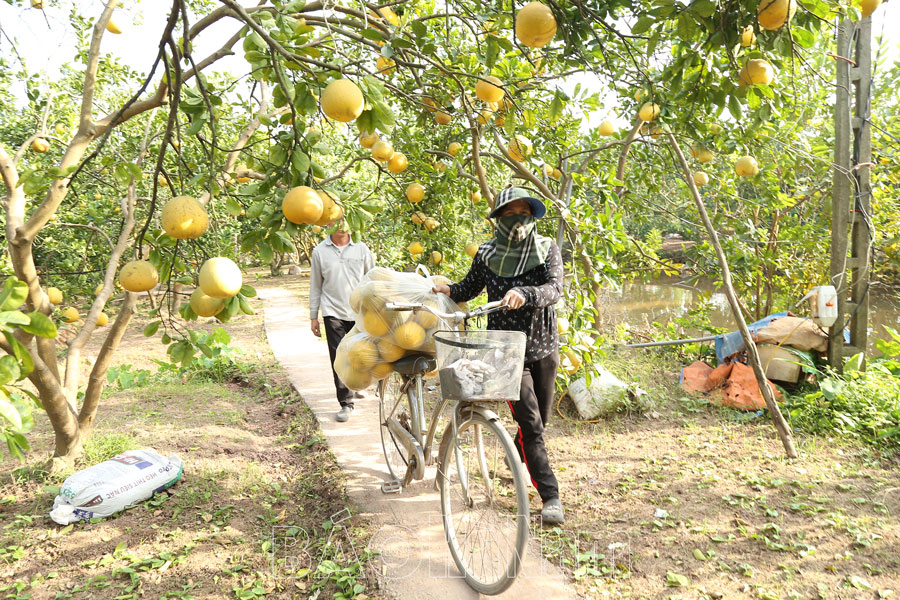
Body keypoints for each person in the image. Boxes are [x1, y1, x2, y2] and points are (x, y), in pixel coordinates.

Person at [433, 186, 565, 525]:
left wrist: (525, 292)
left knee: (540, 420)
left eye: (523, 213)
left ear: (532, 216)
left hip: (543, 346)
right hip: (506, 352)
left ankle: (519, 455)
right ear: (498, 220)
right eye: (509, 215)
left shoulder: (547, 248)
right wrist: (449, 289)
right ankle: (550, 497)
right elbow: (469, 287)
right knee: (531, 424)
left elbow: (555, 288)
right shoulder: (487, 253)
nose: (517, 221)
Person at [309, 220, 375, 422]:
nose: (339, 225)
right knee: (338, 357)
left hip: (358, 312)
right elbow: (316, 286)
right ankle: (346, 403)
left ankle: (357, 385)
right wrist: (314, 315)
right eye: (333, 221)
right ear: (326, 224)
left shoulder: (362, 249)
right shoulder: (319, 251)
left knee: (360, 353)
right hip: (332, 311)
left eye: (343, 219)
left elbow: (372, 279)